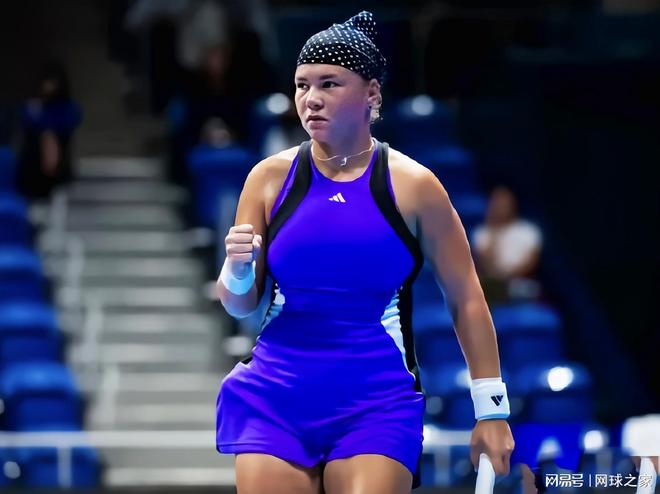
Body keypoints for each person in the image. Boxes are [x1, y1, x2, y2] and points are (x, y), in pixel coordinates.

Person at [216, 11, 514, 493]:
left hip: (375, 404)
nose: (311, 99)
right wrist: (237, 269)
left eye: (329, 84)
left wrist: (491, 410)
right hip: (276, 397)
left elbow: (467, 298)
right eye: (302, 85)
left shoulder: (415, 186)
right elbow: (239, 304)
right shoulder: (267, 179)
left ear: (371, 94)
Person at [471, 185, 543, 306]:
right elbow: (483, 263)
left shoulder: (529, 231)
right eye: (496, 204)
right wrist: (493, 231)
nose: (500, 208)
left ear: (513, 205)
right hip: (490, 283)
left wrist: (506, 276)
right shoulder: (482, 233)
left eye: (504, 204)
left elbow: (531, 263)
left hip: (519, 284)